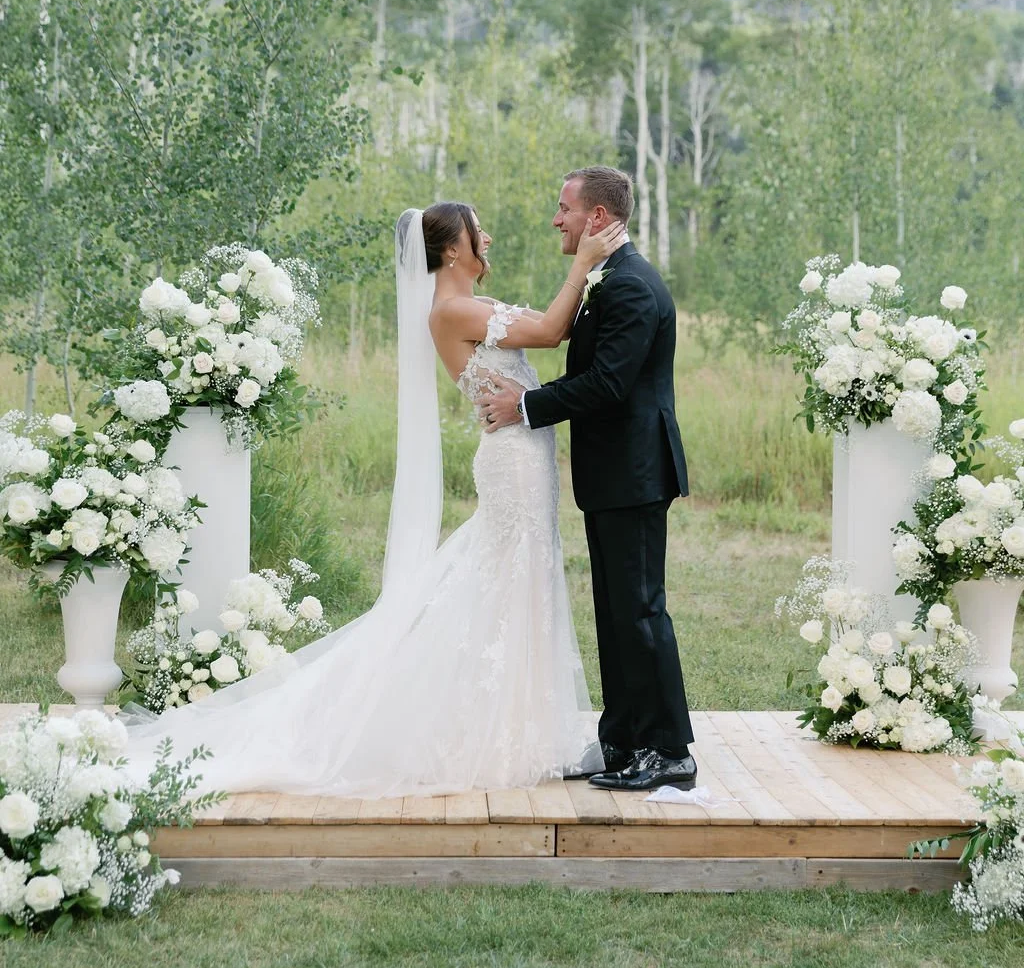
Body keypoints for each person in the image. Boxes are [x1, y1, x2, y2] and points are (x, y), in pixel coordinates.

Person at [121, 203, 622, 797]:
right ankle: (487, 729)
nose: (488, 234)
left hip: (526, 454)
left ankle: (523, 725)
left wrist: (586, 274)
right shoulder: (451, 310)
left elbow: (553, 326)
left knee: (523, 581)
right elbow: (546, 331)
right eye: (476, 228)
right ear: (453, 250)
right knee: (509, 578)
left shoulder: (479, 304)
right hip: (511, 461)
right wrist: (585, 261)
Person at [478, 166, 697, 792]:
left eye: (564, 208)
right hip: (615, 475)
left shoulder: (630, 287)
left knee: (640, 611)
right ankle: (622, 741)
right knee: (617, 611)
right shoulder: (610, 278)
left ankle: (669, 752)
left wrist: (526, 404)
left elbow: (608, 383)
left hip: (635, 472)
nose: (557, 219)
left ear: (598, 216)